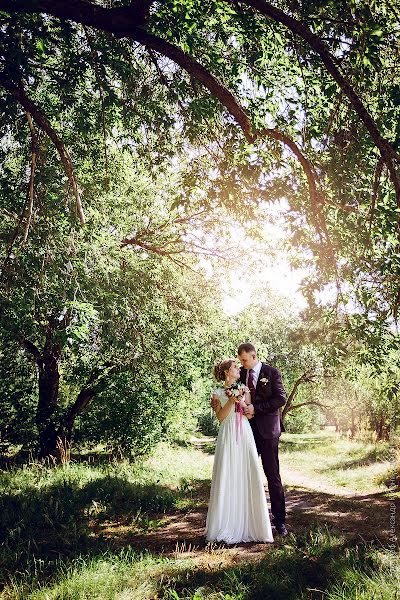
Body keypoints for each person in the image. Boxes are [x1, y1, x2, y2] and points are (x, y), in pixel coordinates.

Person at [205, 358, 274, 544]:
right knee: (228, 473)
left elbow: (248, 413)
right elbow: (220, 417)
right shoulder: (217, 393)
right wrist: (231, 400)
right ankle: (225, 524)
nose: (238, 368)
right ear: (227, 372)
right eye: (235, 367)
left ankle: (251, 525)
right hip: (228, 432)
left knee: (245, 472)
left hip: (244, 432)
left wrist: (242, 402)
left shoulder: (244, 388)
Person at [238, 342, 288, 536]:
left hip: (268, 431)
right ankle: (247, 520)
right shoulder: (240, 374)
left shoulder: (272, 372)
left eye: (244, 360)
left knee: (272, 475)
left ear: (253, 356)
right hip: (246, 432)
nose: (242, 363)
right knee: (245, 474)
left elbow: (280, 398)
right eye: (240, 360)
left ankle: (280, 521)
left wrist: (256, 409)